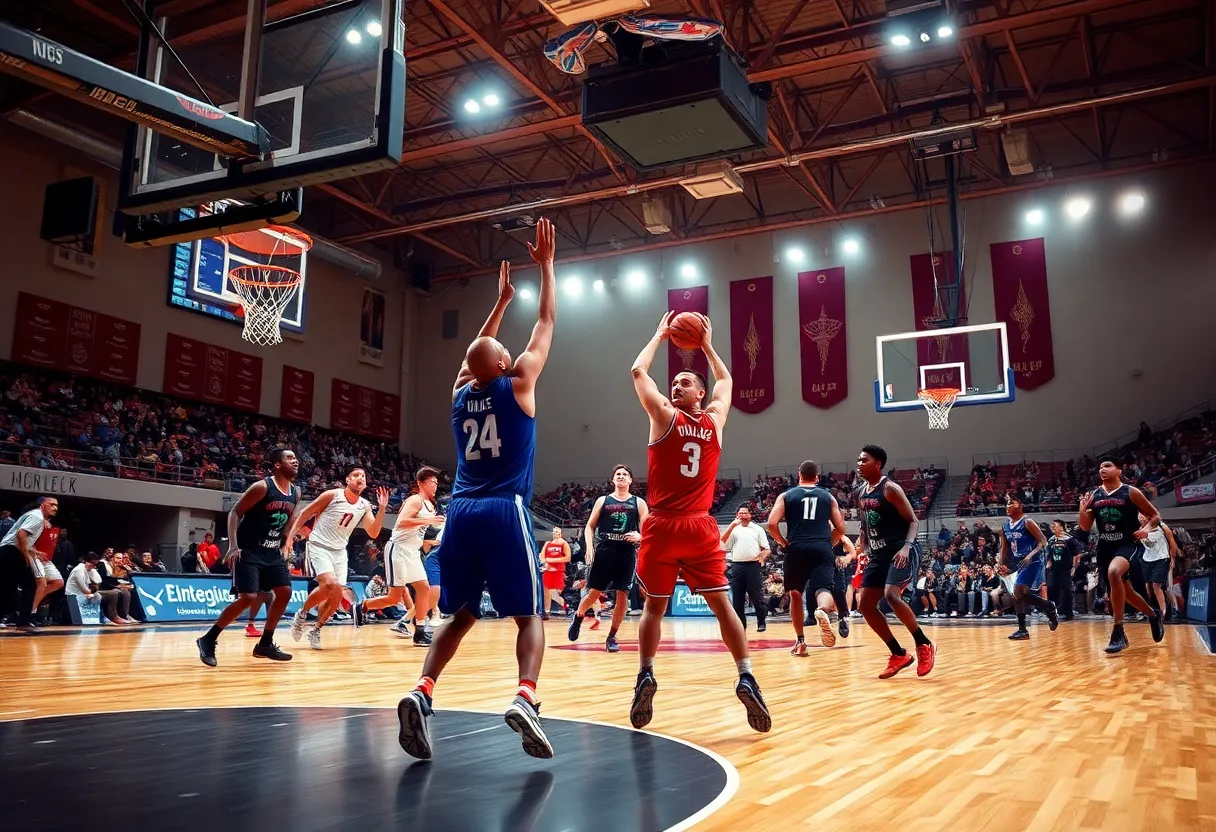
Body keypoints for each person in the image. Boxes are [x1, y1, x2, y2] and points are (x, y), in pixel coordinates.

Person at [397, 218, 557, 761]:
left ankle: (423, 691)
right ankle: (526, 697)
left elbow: (473, 357)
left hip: (460, 511)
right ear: (505, 364)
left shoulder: (459, 395)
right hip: (503, 507)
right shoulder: (520, 383)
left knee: (459, 615)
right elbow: (547, 320)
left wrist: (500, 302)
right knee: (530, 616)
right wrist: (546, 266)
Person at [627, 311, 771, 733]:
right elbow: (727, 382)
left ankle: (646, 672)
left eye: (685, 382)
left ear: (699, 393)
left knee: (654, 607)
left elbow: (638, 371)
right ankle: (746, 674)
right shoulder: (715, 421)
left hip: (663, 525)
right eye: (674, 383)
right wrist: (707, 345)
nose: (675, 386)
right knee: (722, 605)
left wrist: (658, 336)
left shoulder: (663, 416)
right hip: (699, 526)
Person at [196, 448, 300, 667]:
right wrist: (233, 546)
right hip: (249, 550)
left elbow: (290, 518)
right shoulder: (263, 487)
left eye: (295, 458)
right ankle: (208, 639)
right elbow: (235, 512)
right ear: (277, 464)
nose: (295, 461)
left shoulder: (295, 492)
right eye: (289, 458)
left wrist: (287, 541)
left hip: (272, 551)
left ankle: (265, 644)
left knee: (284, 591)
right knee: (248, 597)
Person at [854, 445, 936, 679]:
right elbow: (865, 525)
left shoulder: (890, 489)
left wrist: (907, 547)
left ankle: (923, 643)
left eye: (864, 460)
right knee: (865, 606)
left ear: (878, 464)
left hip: (900, 549)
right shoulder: (860, 492)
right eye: (858, 460)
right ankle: (899, 653)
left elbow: (913, 521)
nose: (859, 464)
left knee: (891, 595)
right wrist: (865, 548)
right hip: (878, 554)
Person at [287, 465, 389, 650]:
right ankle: (301, 614)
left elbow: (373, 532)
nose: (361, 478)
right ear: (347, 480)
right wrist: (289, 540)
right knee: (329, 584)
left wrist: (382, 509)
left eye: (363, 476)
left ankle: (316, 629)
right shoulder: (332, 495)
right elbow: (305, 513)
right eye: (356, 475)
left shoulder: (364, 505)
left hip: (340, 551)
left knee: (335, 594)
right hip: (319, 545)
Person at [1078, 454, 1165, 653]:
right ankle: (1153, 615)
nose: (1102, 469)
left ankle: (1118, 631)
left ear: (1119, 470)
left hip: (1127, 543)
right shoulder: (1095, 495)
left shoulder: (1130, 492)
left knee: (1114, 572)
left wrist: (1146, 529)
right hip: (1105, 547)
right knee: (1126, 593)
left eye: (1107, 465)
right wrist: (1082, 510)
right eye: (1100, 467)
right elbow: (1085, 526)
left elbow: (1155, 516)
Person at [357, 466, 445, 646]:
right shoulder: (415, 500)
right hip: (398, 549)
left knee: (424, 589)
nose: (435, 485)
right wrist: (428, 521)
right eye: (432, 482)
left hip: (412, 552)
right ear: (421, 483)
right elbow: (402, 522)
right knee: (394, 598)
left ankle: (420, 631)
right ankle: (362, 606)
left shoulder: (431, 505)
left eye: (437, 482)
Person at [766, 459, 846, 653]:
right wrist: (829, 543)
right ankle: (821, 611)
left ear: (799, 475)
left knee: (795, 594)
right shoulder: (828, 497)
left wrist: (783, 542)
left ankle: (801, 641)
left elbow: (771, 524)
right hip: (821, 547)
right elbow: (840, 527)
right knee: (823, 589)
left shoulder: (786, 496)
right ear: (817, 477)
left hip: (796, 547)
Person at [568, 464, 648, 651]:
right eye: (618, 474)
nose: (621, 476)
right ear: (613, 480)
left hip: (626, 551)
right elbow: (590, 526)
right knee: (594, 592)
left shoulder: (638, 503)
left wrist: (641, 537)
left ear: (630, 480)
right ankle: (578, 616)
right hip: (604, 549)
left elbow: (648, 531)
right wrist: (589, 547)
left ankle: (612, 636)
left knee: (623, 594)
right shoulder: (603, 500)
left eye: (625, 474)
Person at [999, 497, 1059, 640]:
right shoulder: (1005, 526)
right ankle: (1047, 607)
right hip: (1019, 562)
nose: (1008, 506)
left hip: (1034, 560)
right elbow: (1004, 548)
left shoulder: (1027, 522)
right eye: (1007, 504)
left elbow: (1043, 542)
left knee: (1018, 590)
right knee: (1019, 594)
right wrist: (1000, 563)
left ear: (1020, 505)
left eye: (1011, 503)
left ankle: (1025, 627)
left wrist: (1030, 556)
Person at [0, 496, 58, 633]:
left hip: (7, 551)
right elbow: (21, 535)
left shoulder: (33, 515)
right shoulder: (37, 517)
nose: (55, 508)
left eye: (56, 505)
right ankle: (23, 621)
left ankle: (13, 617)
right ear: (42, 505)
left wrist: (34, 551)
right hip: (12, 552)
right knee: (30, 584)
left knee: (7, 587)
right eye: (51, 504)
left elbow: (19, 538)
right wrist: (27, 556)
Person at [722, 506, 772, 632]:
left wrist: (763, 556)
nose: (743, 515)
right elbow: (723, 543)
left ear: (750, 515)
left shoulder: (757, 529)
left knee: (756, 595)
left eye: (745, 513)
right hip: (737, 565)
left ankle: (761, 621)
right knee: (738, 597)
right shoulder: (734, 529)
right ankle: (740, 625)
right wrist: (731, 526)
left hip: (753, 565)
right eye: (740, 513)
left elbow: (767, 548)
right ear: (736, 515)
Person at [66, 551, 131, 624]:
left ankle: (112, 616)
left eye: (95, 564)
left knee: (114, 593)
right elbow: (85, 590)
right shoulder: (79, 570)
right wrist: (94, 591)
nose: (94, 566)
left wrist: (92, 571)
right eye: (92, 563)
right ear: (85, 561)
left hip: (84, 593)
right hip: (75, 595)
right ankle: (111, 617)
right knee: (112, 594)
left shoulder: (87, 569)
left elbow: (98, 581)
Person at [1138, 512, 1177, 621]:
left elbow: (1172, 543)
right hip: (1147, 560)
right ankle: (1151, 611)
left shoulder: (1162, 527)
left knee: (1158, 586)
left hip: (1162, 559)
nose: (1141, 518)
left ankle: (1163, 612)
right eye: (1139, 516)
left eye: (1143, 516)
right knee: (1149, 588)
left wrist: (1172, 559)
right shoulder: (1139, 529)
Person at [1045, 520, 1083, 621]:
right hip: (1054, 568)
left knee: (1065, 589)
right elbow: (1049, 553)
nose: (1052, 527)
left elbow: (1077, 553)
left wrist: (1074, 567)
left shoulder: (1069, 539)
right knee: (1052, 588)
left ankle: (1066, 612)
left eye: (1055, 525)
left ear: (1061, 527)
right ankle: (1053, 611)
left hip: (1066, 568)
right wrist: (1048, 562)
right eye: (1052, 525)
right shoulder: (1051, 540)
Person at [30, 520, 63, 626]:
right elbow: (25, 544)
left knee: (59, 582)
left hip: (45, 558)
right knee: (42, 584)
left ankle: (37, 598)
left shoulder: (49, 532)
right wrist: (36, 552)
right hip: (34, 556)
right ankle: (32, 613)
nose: (47, 523)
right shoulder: (31, 528)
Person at [540, 528, 571, 620]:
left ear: (560, 533)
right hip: (548, 571)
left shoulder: (564, 544)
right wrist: (545, 563)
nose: (555, 533)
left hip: (558, 571)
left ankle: (567, 607)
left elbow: (567, 558)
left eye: (557, 532)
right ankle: (547, 612)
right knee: (546, 592)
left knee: (557, 593)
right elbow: (542, 556)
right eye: (554, 532)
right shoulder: (548, 543)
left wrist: (552, 560)